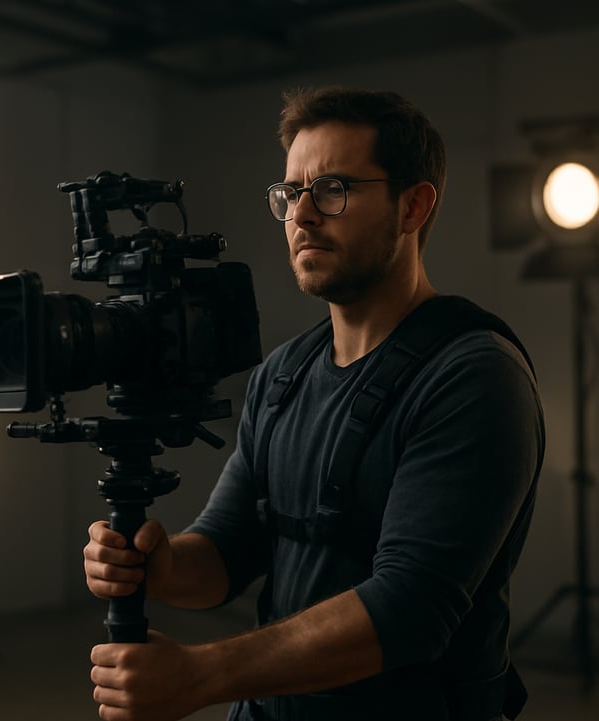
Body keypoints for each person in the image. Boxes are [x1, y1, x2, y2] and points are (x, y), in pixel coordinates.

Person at [83, 86, 545, 721]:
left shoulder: (472, 375)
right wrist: (158, 567)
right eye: (290, 194)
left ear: (413, 205)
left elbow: (409, 609)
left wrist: (198, 675)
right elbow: (226, 551)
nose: (302, 216)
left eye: (333, 190)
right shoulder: (285, 373)